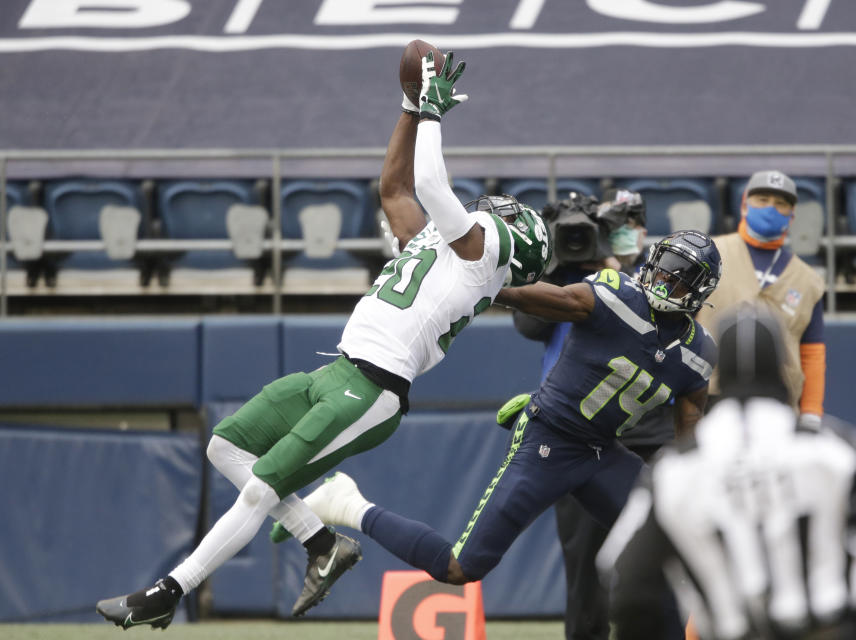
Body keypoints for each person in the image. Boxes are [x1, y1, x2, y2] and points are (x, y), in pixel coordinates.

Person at [95, 50, 552, 630]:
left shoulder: (484, 258)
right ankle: (321, 543)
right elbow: (395, 189)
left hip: (372, 389)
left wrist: (434, 113)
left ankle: (168, 591)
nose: (489, 211)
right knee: (225, 447)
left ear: (513, 245)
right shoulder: (448, 246)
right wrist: (410, 109)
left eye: (504, 215)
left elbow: (433, 183)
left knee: (261, 488)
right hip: (335, 372)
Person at [287, 230, 722, 638]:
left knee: (674, 551)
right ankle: (348, 504)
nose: (665, 281)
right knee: (460, 569)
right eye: (664, 268)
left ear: (701, 291)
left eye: (680, 279)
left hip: (603, 452)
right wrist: (475, 280)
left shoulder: (699, 352)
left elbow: (690, 436)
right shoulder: (616, 295)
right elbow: (543, 300)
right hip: (550, 439)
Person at [597, 304, 856, 640]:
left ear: (719, 369)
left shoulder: (674, 469)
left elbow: (625, 578)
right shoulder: (836, 447)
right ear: (782, 366)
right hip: (830, 628)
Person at [513, 188, 657, 640]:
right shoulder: (565, 279)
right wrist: (559, 268)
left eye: (627, 223)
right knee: (584, 564)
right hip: (577, 430)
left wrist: (612, 268)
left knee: (657, 554)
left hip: (650, 426)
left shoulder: (659, 272)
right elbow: (530, 324)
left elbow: (661, 321)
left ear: (640, 229)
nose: (617, 234)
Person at [695, 170, 826, 426]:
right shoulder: (706, 253)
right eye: (762, 200)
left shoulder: (808, 280)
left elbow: (812, 352)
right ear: (744, 205)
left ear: (791, 215)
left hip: (778, 405)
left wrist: (811, 411)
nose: (770, 208)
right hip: (706, 398)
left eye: (781, 204)